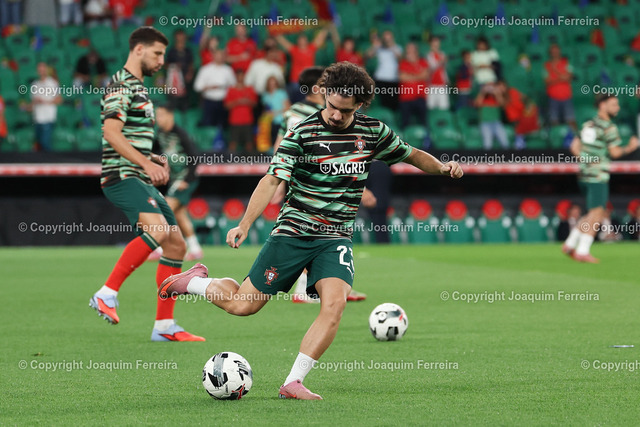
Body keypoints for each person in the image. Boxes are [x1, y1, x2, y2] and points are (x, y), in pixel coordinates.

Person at [158, 62, 463, 399]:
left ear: (360, 105)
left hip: (335, 239)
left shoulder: (373, 132)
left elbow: (411, 154)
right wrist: (244, 223)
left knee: (335, 305)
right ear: (324, 95)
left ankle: (293, 382)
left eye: (344, 111)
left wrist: (442, 167)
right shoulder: (302, 133)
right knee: (243, 306)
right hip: (293, 233)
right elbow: (271, 179)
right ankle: (195, 282)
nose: (335, 115)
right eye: (331, 106)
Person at [89, 26, 204, 342]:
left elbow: (130, 137)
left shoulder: (139, 89)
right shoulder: (120, 86)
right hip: (122, 176)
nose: (161, 60)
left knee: (176, 245)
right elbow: (111, 133)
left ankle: (164, 327)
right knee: (158, 231)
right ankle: (106, 293)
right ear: (139, 50)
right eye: (157, 53)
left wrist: (152, 157)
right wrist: (145, 163)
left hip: (138, 176)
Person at [271, 66, 369, 304]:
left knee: (312, 231)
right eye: (326, 84)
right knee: (323, 230)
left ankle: (323, 286)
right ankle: (314, 287)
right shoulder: (324, 114)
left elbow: (279, 145)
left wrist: (279, 179)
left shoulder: (291, 112)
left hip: (296, 176)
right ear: (317, 88)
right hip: (317, 180)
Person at [562, 94, 639, 263]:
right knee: (598, 213)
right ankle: (583, 250)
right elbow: (615, 153)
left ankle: (570, 243)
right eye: (614, 104)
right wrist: (631, 147)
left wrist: (586, 161)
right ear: (602, 105)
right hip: (597, 176)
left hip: (584, 174)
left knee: (591, 213)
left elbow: (574, 147)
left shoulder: (588, 124)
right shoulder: (608, 127)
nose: (617, 108)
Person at [148, 104, 204, 261]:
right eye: (157, 115)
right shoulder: (160, 134)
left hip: (185, 180)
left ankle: (159, 248)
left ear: (170, 115)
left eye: (161, 115)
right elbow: (153, 152)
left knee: (164, 208)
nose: (158, 119)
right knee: (179, 215)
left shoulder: (181, 134)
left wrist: (186, 180)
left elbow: (195, 158)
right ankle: (195, 249)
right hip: (174, 180)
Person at [276, 25, 329, 103]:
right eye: (300, 40)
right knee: (294, 102)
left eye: (304, 39)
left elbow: (319, 39)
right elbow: (283, 42)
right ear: (297, 41)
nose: (302, 41)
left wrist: (326, 28)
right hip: (295, 81)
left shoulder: (311, 48)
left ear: (306, 41)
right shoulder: (294, 50)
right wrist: (275, 31)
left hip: (308, 82)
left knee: (307, 102)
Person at [193, 49, 235, 128]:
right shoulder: (205, 69)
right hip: (209, 101)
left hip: (223, 102)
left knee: (223, 126)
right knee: (208, 124)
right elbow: (197, 87)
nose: (219, 58)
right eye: (217, 55)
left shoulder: (228, 70)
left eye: (221, 56)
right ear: (213, 56)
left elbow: (233, 85)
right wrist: (210, 87)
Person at [366, 30, 402, 110]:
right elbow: (368, 55)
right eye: (385, 38)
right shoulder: (379, 48)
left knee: (393, 104)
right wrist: (375, 46)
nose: (387, 40)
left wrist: (391, 46)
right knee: (382, 103)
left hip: (393, 79)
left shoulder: (397, 48)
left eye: (389, 38)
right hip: (380, 78)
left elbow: (400, 58)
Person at [224, 69, 258, 153]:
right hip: (235, 121)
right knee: (233, 143)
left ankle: (250, 160)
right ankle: (231, 159)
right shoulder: (231, 90)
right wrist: (237, 102)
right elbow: (226, 105)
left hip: (247, 120)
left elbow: (255, 103)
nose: (240, 77)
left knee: (249, 143)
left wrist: (247, 101)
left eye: (242, 76)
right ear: (236, 77)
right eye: (239, 76)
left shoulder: (249, 89)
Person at [30, 62, 61, 152]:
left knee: (45, 143)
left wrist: (45, 102)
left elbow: (59, 99)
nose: (41, 71)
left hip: (48, 117)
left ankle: (50, 160)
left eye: (43, 69)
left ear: (46, 70)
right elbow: (33, 102)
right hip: (37, 117)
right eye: (39, 70)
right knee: (39, 144)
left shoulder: (52, 83)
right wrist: (27, 107)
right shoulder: (35, 84)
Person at [544, 44, 576, 129]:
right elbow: (547, 81)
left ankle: (575, 136)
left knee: (571, 121)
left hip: (566, 96)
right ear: (550, 53)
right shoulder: (546, 65)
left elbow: (569, 77)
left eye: (556, 51)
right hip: (553, 98)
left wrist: (555, 78)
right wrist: (561, 78)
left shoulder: (566, 63)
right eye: (553, 51)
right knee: (554, 121)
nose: (555, 53)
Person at [398, 42, 428, 129]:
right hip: (406, 98)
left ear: (416, 51)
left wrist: (409, 76)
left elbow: (425, 76)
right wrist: (418, 76)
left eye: (411, 50)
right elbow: (402, 77)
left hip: (420, 97)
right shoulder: (403, 63)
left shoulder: (422, 62)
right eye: (408, 50)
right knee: (405, 123)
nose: (409, 52)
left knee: (423, 122)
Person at [165, 29, 194, 112]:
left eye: (182, 36)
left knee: (184, 103)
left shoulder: (188, 51)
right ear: (175, 37)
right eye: (179, 36)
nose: (181, 39)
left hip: (185, 79)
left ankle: (184, 114)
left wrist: (190, 73)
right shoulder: (171, 51)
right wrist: (174, 67)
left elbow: (191, 64)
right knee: (173, 101)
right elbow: (166, 65)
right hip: (174, 81)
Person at [474, 82, 509, 150]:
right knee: (487, 144)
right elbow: (477, 104)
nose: (490, 89)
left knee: (505, 142)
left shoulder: (497, 97)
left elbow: (503, 104)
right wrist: (483, 92)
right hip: (485, 123)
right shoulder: (483, 97)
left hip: (497, 123)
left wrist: (497, 93)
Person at [261, 76, 290, 145]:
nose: (272, 85)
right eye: (270, 83)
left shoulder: (281, 93)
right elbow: (265, 109)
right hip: (269, 123)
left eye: (274, 83)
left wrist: (275, 112)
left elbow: (288, 107)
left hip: (280, 121)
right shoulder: (265, 95)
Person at [425, 35, 449, 110]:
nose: (436, 45)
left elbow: (444, 69)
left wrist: (446, 79)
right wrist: (441, 62)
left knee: (444, 107)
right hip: (432, 85)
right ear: (430, 44)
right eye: (434, 43)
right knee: (431, 107)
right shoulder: (428, 55)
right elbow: (431, 68)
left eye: (438, 43)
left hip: (442, 85)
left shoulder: (442, 54)